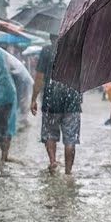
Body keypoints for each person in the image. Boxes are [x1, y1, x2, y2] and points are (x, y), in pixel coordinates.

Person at [31, 40, 83, 175]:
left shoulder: (46, 51)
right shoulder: (75, 50)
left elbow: (39, 77)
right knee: (71, 138)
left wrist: (34, 99)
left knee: (50, 134)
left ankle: (53, 162)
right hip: (72, 100)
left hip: (51, 100)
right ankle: (68, 172)